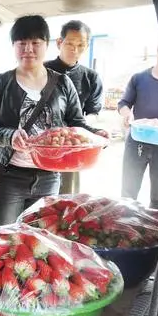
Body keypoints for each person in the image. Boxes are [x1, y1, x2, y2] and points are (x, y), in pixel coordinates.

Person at [0, 15, 109, 226]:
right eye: (22, 43)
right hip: (10, 177)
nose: (28, 49)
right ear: (13, 46)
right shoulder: (1, 82)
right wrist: (10, 136)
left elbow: (75, 123)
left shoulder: (63, 83)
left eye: (35, 43)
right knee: (5, 237)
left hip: (49, 177)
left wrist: (94, 134)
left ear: (46, 45)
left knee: (42, 239)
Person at [45, 20, 105, 194]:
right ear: (59, 43)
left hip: (72, 146)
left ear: (87, 46)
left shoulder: (91, 77)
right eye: (70, 43)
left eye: (81, 45)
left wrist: (85, 132)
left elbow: (93, 111)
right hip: (44, 143)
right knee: (38, 198)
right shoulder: (41, 70)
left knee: (66, 198)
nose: (75, 49)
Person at [119, 41, 158, 209]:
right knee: (128, 194)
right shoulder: (139, 78)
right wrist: (127, 114)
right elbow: (124, 103)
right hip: (137, 141)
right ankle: (126, 230)